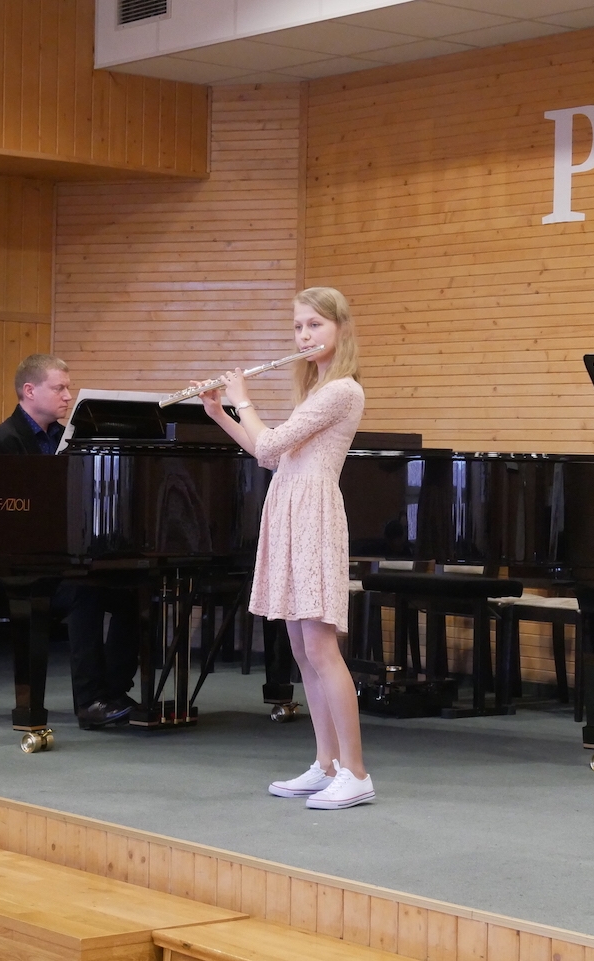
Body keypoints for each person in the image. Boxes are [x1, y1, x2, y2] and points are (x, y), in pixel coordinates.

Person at [196, 287, 373, 810]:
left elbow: (272, 442)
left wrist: (243, 399)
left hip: (314, 515)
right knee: (301, 649)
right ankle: (326, 764)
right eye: (298, 326)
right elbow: (270, 456)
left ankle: (356, 772)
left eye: (314, 325)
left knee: (321, 648)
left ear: (340, 328)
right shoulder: (316, 389)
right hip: (290, 508)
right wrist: (221, 415)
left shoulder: (342, 390)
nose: (303, 336)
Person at [0, 353, 139, 730]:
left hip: (63, 560)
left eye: (68, 388)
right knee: (85, 592)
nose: (68, 396)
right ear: (29, 390)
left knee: (132, 591)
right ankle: (89, 701)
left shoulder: (69, 438)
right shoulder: (1, 442)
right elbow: (4, 518)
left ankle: (114, 690)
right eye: (59, 388)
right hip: (19, 565)